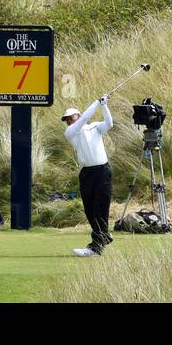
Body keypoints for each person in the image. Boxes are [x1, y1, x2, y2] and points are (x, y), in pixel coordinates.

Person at [63, 96, 114, 256]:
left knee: (100, 208)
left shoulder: (95, 127)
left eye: (71, 117)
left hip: (102, 171)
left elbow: (109, 124)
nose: (69, 121)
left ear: (77, 115)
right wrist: (97, 103)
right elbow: (85, 117)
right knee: (90, 210)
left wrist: (104, 105)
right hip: (86, 174)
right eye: (67, 119)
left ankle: (96, 246)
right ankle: (103, 235)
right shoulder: (71, 132)